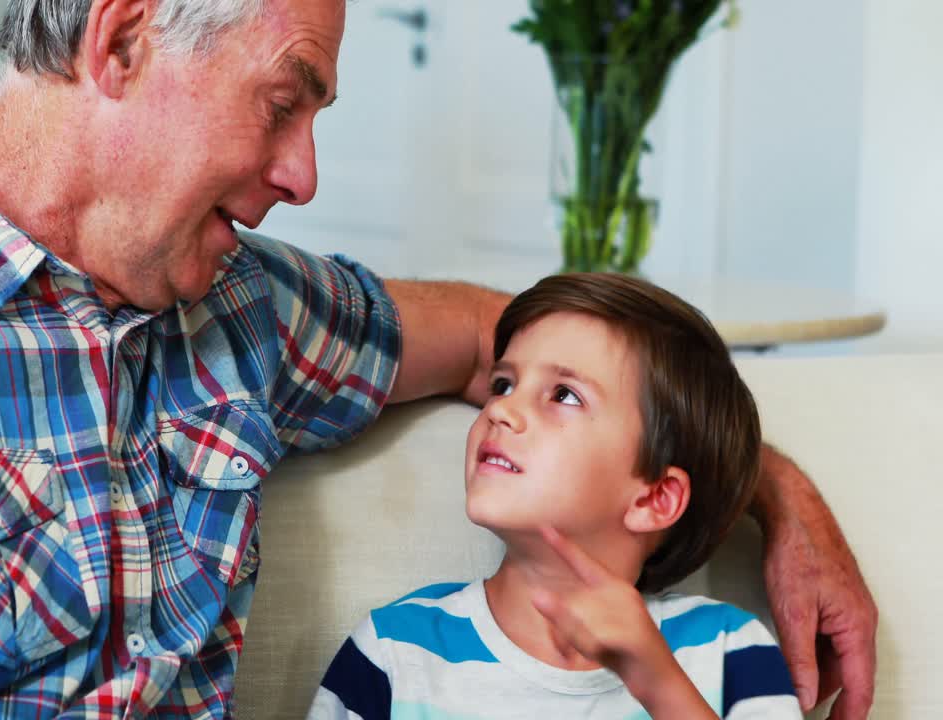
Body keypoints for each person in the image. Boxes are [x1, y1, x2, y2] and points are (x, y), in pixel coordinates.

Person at [0, 1, 874, 718]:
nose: (303, 176)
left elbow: (544, 345)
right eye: (282, 103)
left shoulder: (240, 306)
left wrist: (770, 487)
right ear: (125, 38)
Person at [309, 273, 801, 719]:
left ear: (655, 498)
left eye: (564, 394)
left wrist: (658, 683)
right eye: (502, 384)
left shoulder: (729, 653)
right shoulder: (396, 652)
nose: (501, 411)